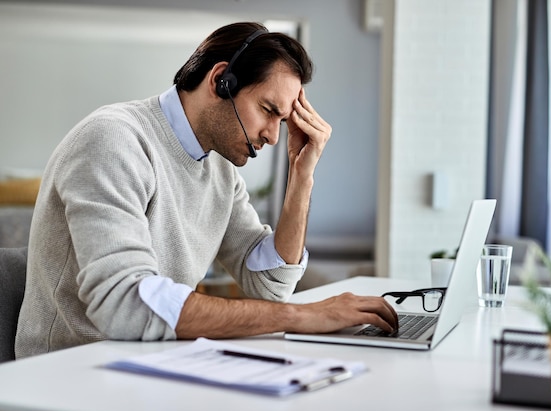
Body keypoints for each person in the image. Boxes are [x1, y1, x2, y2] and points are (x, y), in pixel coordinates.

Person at [15, 22, 397, 358]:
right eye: (268, 110)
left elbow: (270, 284)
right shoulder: (114, 139)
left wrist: (302, 176)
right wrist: (304, 315)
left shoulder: (218, 168)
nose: (274, 136)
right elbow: (126, 305)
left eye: (283, 119)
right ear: (221, 82)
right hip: (72, 374)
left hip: (152, 363)